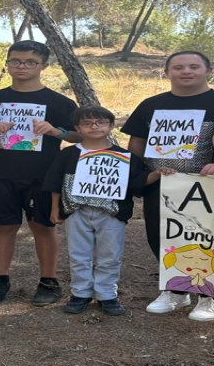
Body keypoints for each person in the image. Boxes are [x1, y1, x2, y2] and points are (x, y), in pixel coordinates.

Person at [121, 50, 214, 320]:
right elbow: (137, 141)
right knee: (162, 235)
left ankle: (212, 294)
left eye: (193, 66)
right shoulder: (151, 105)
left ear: (208, 70)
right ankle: (176, 290)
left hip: (207, 185)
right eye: (178, 67)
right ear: (167, 72)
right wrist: (141, 173)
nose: (186, 71)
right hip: (161, 184)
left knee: (207, 237)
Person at [0, 40, 79, 306]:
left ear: (44, 66)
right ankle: (0, 279)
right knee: (4, 226)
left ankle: (49, 280)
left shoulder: (59, 102)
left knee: (42, 226)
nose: (22, 66)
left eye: (30, 62)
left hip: (42, 174)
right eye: (16, 61)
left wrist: (56, 131)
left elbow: (79, 135)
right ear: (7, 63)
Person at [44, 105, 161, 316]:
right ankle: (80, 293)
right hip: (76, 212)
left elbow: (137, 182)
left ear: (111, 125)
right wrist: (55, 209)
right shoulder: (68, 154)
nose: (94, 127)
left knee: (110, 255)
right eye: (87, 123)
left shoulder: (124, 156)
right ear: (77, 128)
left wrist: (157, 174)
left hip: (112, 214)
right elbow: (55, 182)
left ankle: (107, 294)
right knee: (78, 254)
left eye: (100, 122)